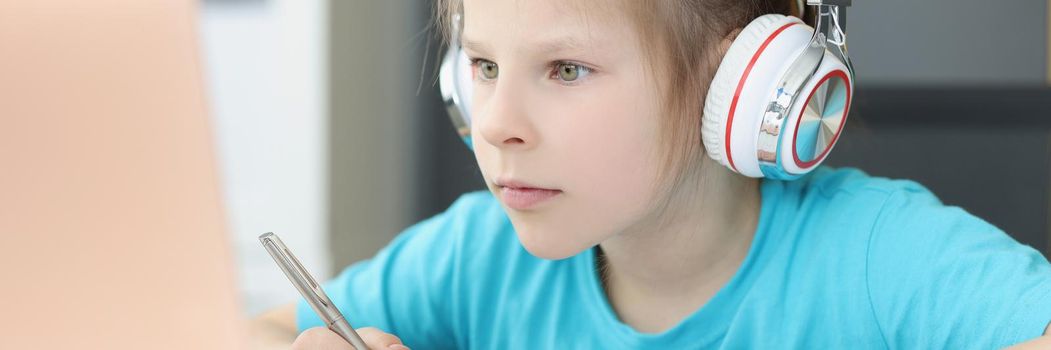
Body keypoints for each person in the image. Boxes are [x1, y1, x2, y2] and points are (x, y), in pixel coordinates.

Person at [249, 0, 1051, 348]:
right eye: (484, 65)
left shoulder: (878, 256)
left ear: (740, 87)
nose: (494, 124)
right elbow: (257, 332)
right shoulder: (473, 258)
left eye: (565, 69)